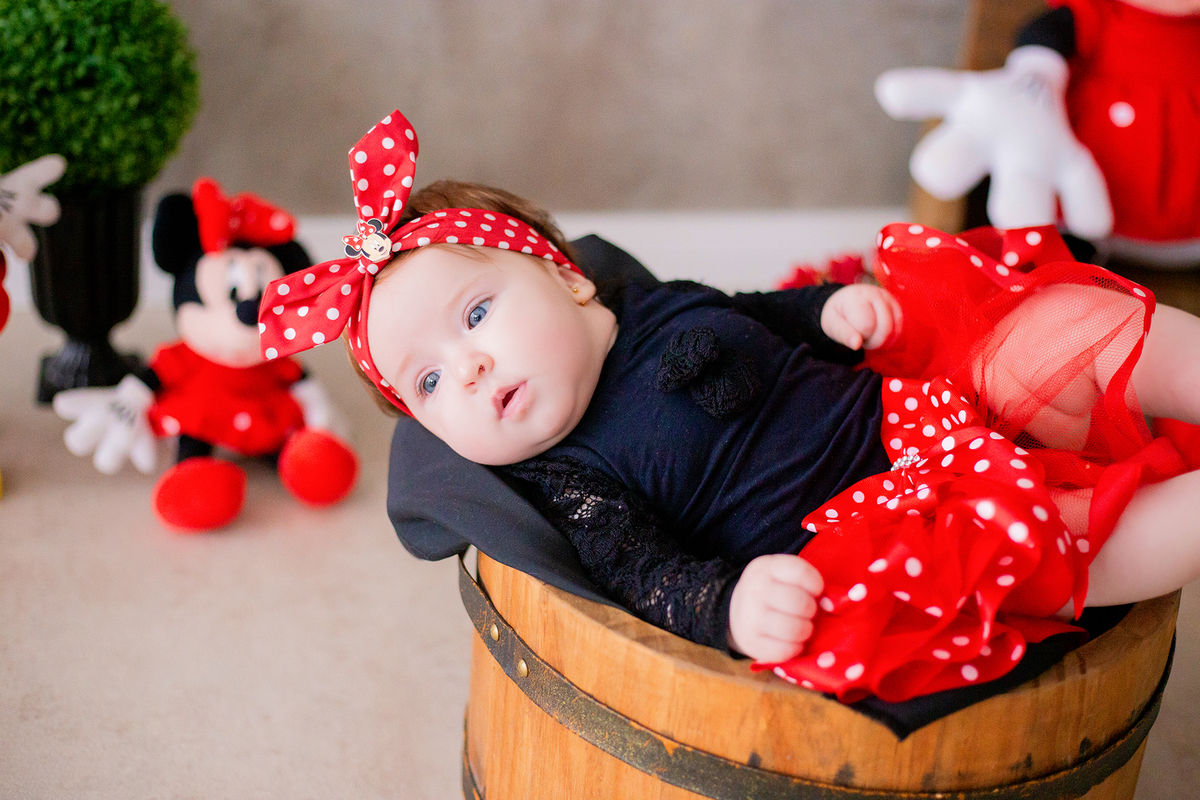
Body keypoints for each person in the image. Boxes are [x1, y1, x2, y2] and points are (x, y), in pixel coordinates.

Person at [259, 110, 1200, 703]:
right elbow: (644, 573)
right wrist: (729, 606)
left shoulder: (649, 303)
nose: (465, 370)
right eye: (424, 383)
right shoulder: (571, 473)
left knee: (1059, 325)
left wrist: (825, 312)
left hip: (911, 406)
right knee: (1050, 545)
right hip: (876, 524)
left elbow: (750, 315)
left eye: (474, 314)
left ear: (569, 279)